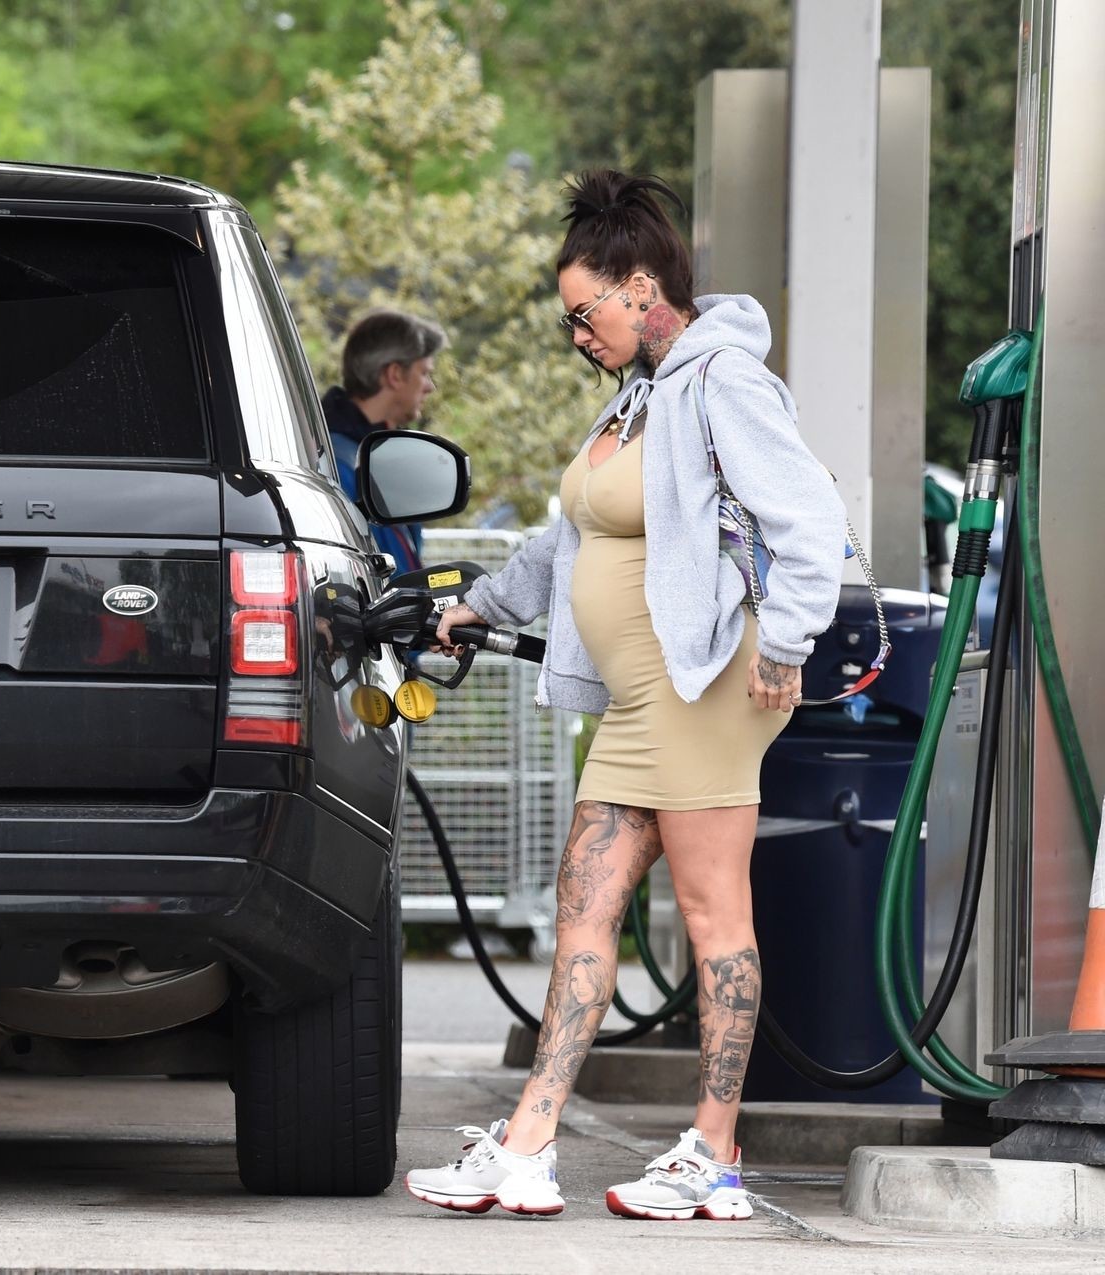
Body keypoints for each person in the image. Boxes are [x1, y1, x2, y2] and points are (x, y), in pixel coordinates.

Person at [403, 170, 846, 1221]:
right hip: (640, 705)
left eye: (583, 312)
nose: (576, 335)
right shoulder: (638, 397)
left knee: (710, 912)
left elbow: (810, 521)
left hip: (707, 692)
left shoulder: (724, 380)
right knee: (585, 908)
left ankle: (715, 1156)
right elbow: (569, 536)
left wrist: (786, 640)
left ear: (642, 288)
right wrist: (476, 605)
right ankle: (528, 1144)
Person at [323, 308, 448, 575]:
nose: (430, 386)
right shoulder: (334, 463)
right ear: (395, 374)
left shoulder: (379, 457)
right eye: (424, 373)